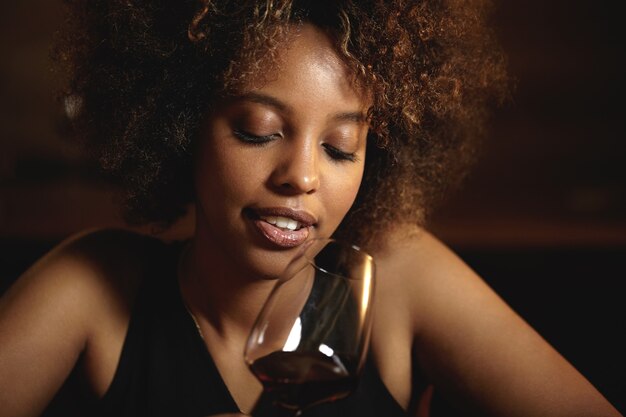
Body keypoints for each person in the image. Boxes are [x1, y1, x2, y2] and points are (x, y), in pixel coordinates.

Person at [0, 1, 621, 416]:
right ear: (178, 125)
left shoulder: (403, 277)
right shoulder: (93, 287)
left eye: (340, 147)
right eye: (257, 129)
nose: (301, 176)